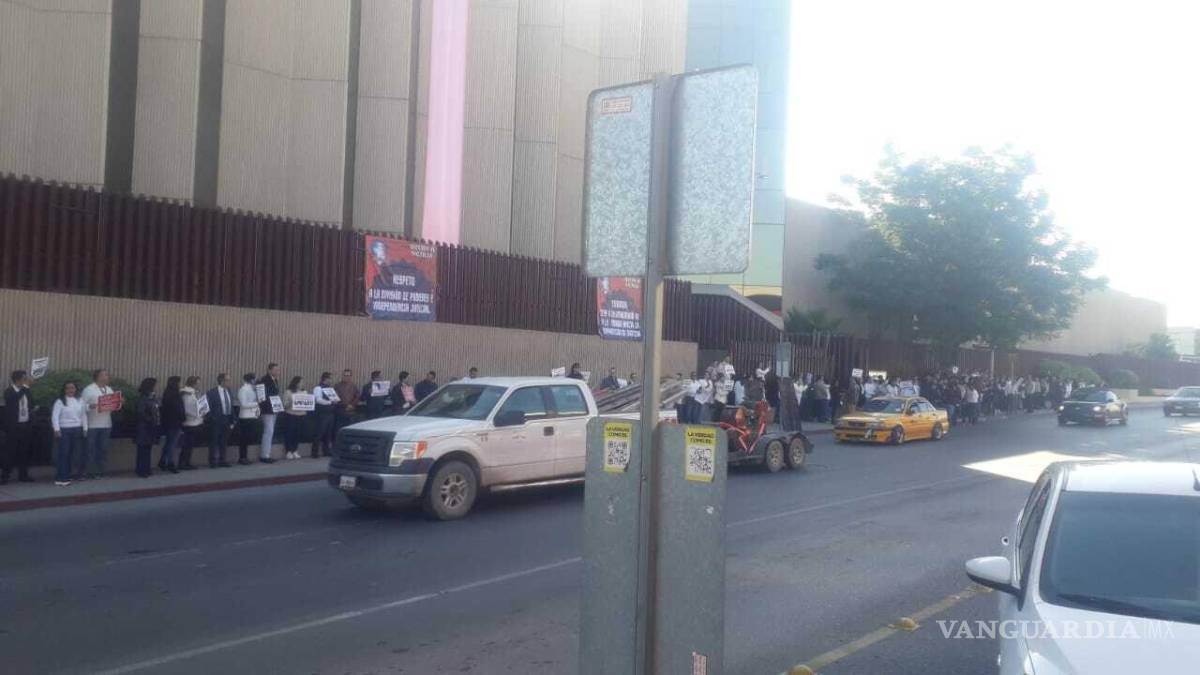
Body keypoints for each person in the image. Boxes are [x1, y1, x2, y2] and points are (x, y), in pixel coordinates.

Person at [79, 368, 115, 480]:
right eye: (104, 375)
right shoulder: (89, 389)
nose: (106, 377)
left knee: (103, 449)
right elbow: (81, 406)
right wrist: (91, 406)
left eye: (107, 375)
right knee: (90, 450)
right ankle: (85, 472)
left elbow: (112, 405)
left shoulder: (109, 389)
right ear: (97, 377)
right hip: (92, 425)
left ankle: (99, 472)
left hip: (106, 424)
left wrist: (118, 403)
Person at [50, 381, 87, 487]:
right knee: (63, 454)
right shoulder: (60, 401)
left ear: (76, 389)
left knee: (73, 454)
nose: (70, 390)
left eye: (72, 388)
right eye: (68, 388)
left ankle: (67, 474)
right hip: (64, 430)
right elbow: (55, 416)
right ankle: (60, 478)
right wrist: (56, 429)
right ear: (64, 390)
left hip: (77, 429)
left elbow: (83, 415)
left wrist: (85, 428)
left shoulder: (80, 400)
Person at [2, 370, 35, 484]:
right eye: (24, 378)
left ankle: (23, 475)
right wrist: (25, 388)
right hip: (13, 426)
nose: (26, 381)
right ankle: (5, 475)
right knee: (10, 451)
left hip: (25, 424)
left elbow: (31, 402)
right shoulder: (9, 391)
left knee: (24, 451)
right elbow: (14, 400)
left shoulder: (26, 391)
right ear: (18, 380)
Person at [133, 378, 160, 478]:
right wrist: (150, 419)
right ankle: (141, 470)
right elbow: (140, 413)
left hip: (150, 428)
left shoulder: (152, 398)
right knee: (142, 450)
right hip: (143, 428)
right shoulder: (142, 398)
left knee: (148, 449)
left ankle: (147, 468)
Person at [206, 373, 234, 468]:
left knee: (224, 441)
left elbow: (231, 406)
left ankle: (223, 460)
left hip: (227, 419)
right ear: (222, 381)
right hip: (216, 420)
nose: (229, 382)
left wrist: (232, 420)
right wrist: (212, 418)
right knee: (214, 441)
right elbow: (208, 407)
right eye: (227, 380)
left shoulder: (229, 391)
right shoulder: (212, 392)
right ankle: (213, 461)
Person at [158, 376, 184, 473]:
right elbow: (178, 409)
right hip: (175, 422)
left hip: (168, 422)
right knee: (172, 444)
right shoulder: (175, 395)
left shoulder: (167, 393)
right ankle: (170, 463)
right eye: (179, 382)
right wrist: (183, 418)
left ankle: (163, 461)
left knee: (169, 443)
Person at [178, 376, 204, 470]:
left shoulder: (193, 393)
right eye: (198, 383)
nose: (199, 385)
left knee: (190, 445)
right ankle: (183, 463)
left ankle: (186, 462)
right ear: (193, 384)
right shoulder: (187, 394)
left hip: (194, 422)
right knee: (187, 445)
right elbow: (189, 409)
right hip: (190, 422)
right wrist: (200, 412)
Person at [257, 363, 281, 463]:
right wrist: (270, 403)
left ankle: (267, 453)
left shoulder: (275, 380)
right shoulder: (264, 380)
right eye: (275, 370)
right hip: (267, 409)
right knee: (268, 431)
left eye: (278, 370)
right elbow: (262, 397)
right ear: (269, 370)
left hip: (273, 409)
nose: (277, 372)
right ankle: (264, 455)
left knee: (270, 432)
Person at [282, 376, 308, 459]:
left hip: (301, 415)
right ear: (296, 383)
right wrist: (291, 403)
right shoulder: (288, 392)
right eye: (301, 382)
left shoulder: (305, 392)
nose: (302, 384)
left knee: (298, 434)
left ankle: (295, 450)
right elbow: (284, 404)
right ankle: (289, 451)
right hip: (291, 415)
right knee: (290, 433)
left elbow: (307, 403)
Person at [235, 373, 259, 465]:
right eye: (255, 379)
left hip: (251, 416)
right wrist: (256, 404)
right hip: (245, 417)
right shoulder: (243, 389)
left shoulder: (252, 389)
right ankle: (242, 457)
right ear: (251, 380)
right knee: (243, 439)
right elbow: (244, 404)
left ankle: (245, 457)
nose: (256, 381)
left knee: (247, 438)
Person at [312, 372, 337, 458]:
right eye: (330, 378)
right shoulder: (318, 388)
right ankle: (314, 452)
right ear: (325, 379)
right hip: (322, 413)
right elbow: (318, 399)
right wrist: (330, 402)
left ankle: (326, 450)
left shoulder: (330, 388)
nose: (331, 380)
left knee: (328, 433)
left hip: (330, 413)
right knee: (319, 432)